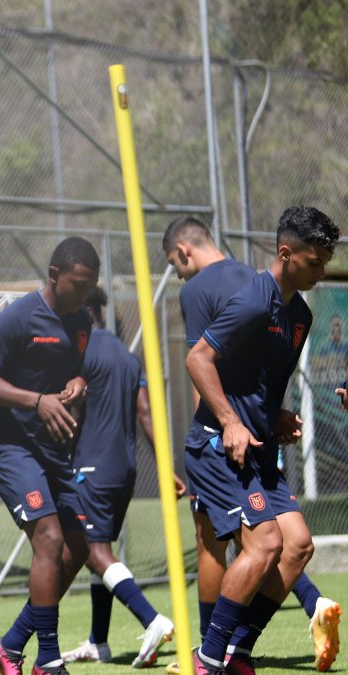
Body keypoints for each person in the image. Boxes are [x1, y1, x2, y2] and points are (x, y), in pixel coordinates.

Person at [163, 215, 340, 674]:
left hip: (257, 448)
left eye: (326, 262)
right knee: (264, 544)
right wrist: (229, 421)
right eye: (314, 262)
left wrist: (275, 415)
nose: (321, 271)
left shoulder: (300, 316)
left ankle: (236, 653)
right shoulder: (253, 301)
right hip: (218, 448)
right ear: (285, 254)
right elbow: (198, 359)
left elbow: (260, 380)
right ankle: (207, 661)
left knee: (297, 545)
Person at [0, 236, 99, 675]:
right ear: (54, 275)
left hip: (51, 449)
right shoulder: (18, 317)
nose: (84, 294)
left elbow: (73, 371)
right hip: (9, 446)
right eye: (78, 285)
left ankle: (9, 646)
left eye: (90, 287)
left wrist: (78, 383)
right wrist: (36, 400)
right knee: (49, 538)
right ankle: (48, 659)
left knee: (78, 548)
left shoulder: (82, 319)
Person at [60, 287, 175, 667]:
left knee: (93, 551)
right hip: (124, 468)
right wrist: (165, 468)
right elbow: (146, 414)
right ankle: (99, 641)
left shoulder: (79, 352)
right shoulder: (127, 356)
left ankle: (152, 620)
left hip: (92, 466)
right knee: (100, 548)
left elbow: (69, 412)